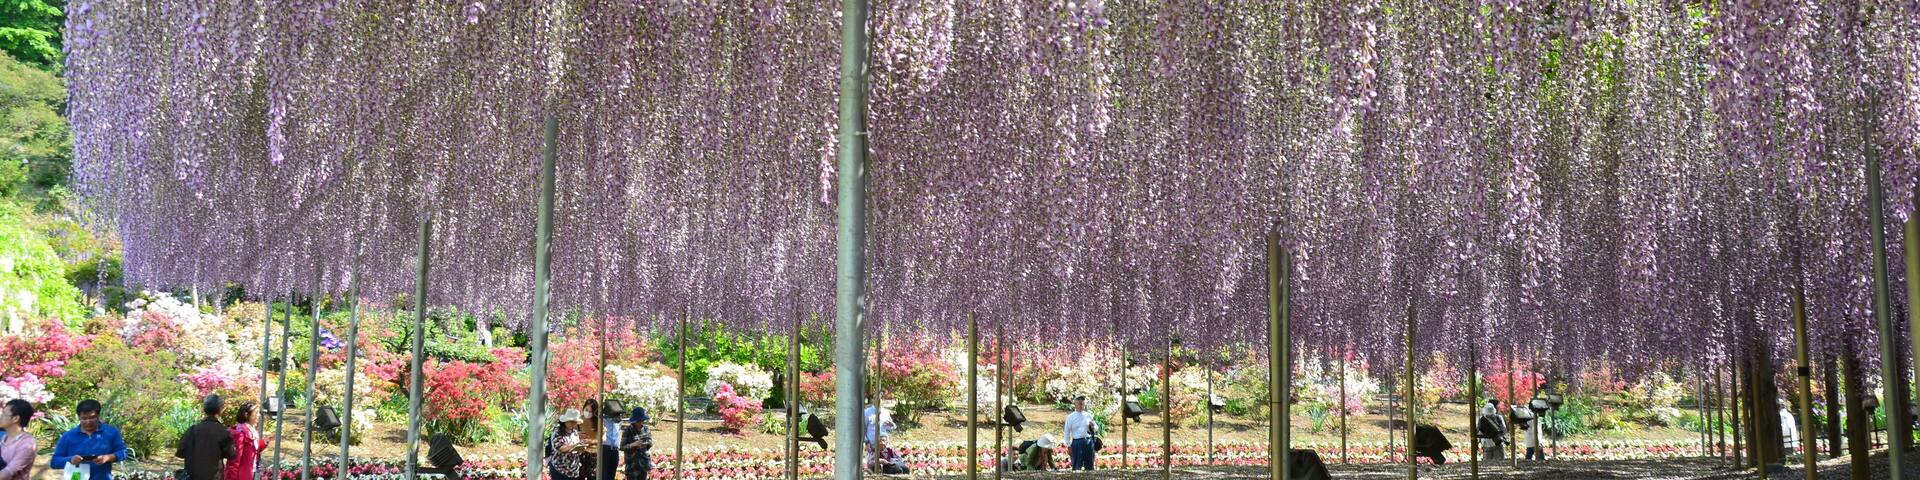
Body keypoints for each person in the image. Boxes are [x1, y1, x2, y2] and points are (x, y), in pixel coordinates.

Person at [50, 399, 130, 480]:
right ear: (79, 417)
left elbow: (123, 453)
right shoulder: (68, 436)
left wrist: (108, 457)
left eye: (92, 417)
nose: (88, 421)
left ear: (98, 415)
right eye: (84, 418)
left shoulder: (111, 432)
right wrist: (70, 460)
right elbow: (54, 462)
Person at [176, 395, 237, 480]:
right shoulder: (223, 432)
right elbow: (231, 454)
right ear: (220, 410)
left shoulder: (192, 430)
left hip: (192, 476)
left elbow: (180, 452)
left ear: (204, 409)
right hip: (214, 476)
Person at [224, 402, 266, 480]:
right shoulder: (240, 432)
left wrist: (265, 442)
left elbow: (252, 449)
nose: (259, 415)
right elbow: (234, 460)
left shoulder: (251, 430)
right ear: (247, 415)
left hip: (251, 472)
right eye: (256, 413)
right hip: (241, 475)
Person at [546, 410, 589, 480]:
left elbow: (577, 448)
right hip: (560, 469)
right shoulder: (557, 432)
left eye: (574, 422)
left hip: (573, 469)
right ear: (565, 421)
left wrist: (581, 447)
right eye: (570, 421)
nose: (573, 424)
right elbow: (560, 448)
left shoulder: (574, 432)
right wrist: (575, 445)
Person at [580, 400, 618, 480]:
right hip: (582, 453)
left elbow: (603, 438)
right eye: (586, 410)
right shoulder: (579, 421)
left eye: (590, 411)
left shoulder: (599, 422)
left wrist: (591, 441)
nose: (588, 413)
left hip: (596, 454)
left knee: (595, 477)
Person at [1, 399, 37, 480]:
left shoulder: (27, 444)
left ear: (15, 418)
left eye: (4, 414)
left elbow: (6, 473)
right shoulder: (3, 437)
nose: (1, 416)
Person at [1063, 396, 1099, 471]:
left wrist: (1093, 427)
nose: (1081, 406)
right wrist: (1068, 445)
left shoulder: (1088, 415)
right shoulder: (1070, 417)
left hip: (1088, 441)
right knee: (1076, 465)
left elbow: (1096, 428)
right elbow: (1066, 432)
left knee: (1090, 465)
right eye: (1079, 404)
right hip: (1077, 442)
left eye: (1082, 404)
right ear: (1075, 404)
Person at [619, 407, 652, 480]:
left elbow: (649, 443)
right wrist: (633, 444)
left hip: (643, 464)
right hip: (632, 465)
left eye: (642, 420)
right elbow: (622, 447)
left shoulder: (646, 429)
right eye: (639, 421)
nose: (640, 422)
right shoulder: (627, 430)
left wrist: (647, 443)